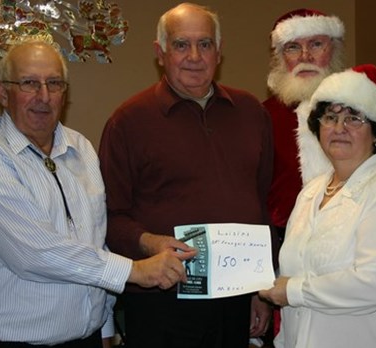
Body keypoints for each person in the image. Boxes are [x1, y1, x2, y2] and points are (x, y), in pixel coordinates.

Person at [0, 37, 196, 348]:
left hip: (84, 338)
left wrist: (104, 326)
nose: (44, 96)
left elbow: (95, 239)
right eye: (29, 83)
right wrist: (134, 270)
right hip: (3, 341)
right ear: (3, 92)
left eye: (54, 83)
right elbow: (34, 252)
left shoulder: (80, 148)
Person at [98, 3, 275, 347]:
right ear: (160, 53)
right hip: (161, 301)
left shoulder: (252, 112)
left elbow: (260, 205)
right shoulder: (129, 121)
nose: (194, 56)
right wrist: (151, 242)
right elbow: (109, 217)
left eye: (205, 44)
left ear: (219, 52)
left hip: (236, 298)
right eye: (181, 45)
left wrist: (261, 289)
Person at [259, 64, 376, 348]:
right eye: (330, 117)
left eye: (354, 118)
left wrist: (293, 291)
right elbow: (295, 269)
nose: (339, 128)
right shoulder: (311, 193)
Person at [264, 9, 376, 244]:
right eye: (293, 47)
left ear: (334, 49)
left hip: (363, 239)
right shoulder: (263, 116)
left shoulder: (364, 106)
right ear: (280, 56)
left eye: (316, 44)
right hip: (286, 244)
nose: (305, 56)